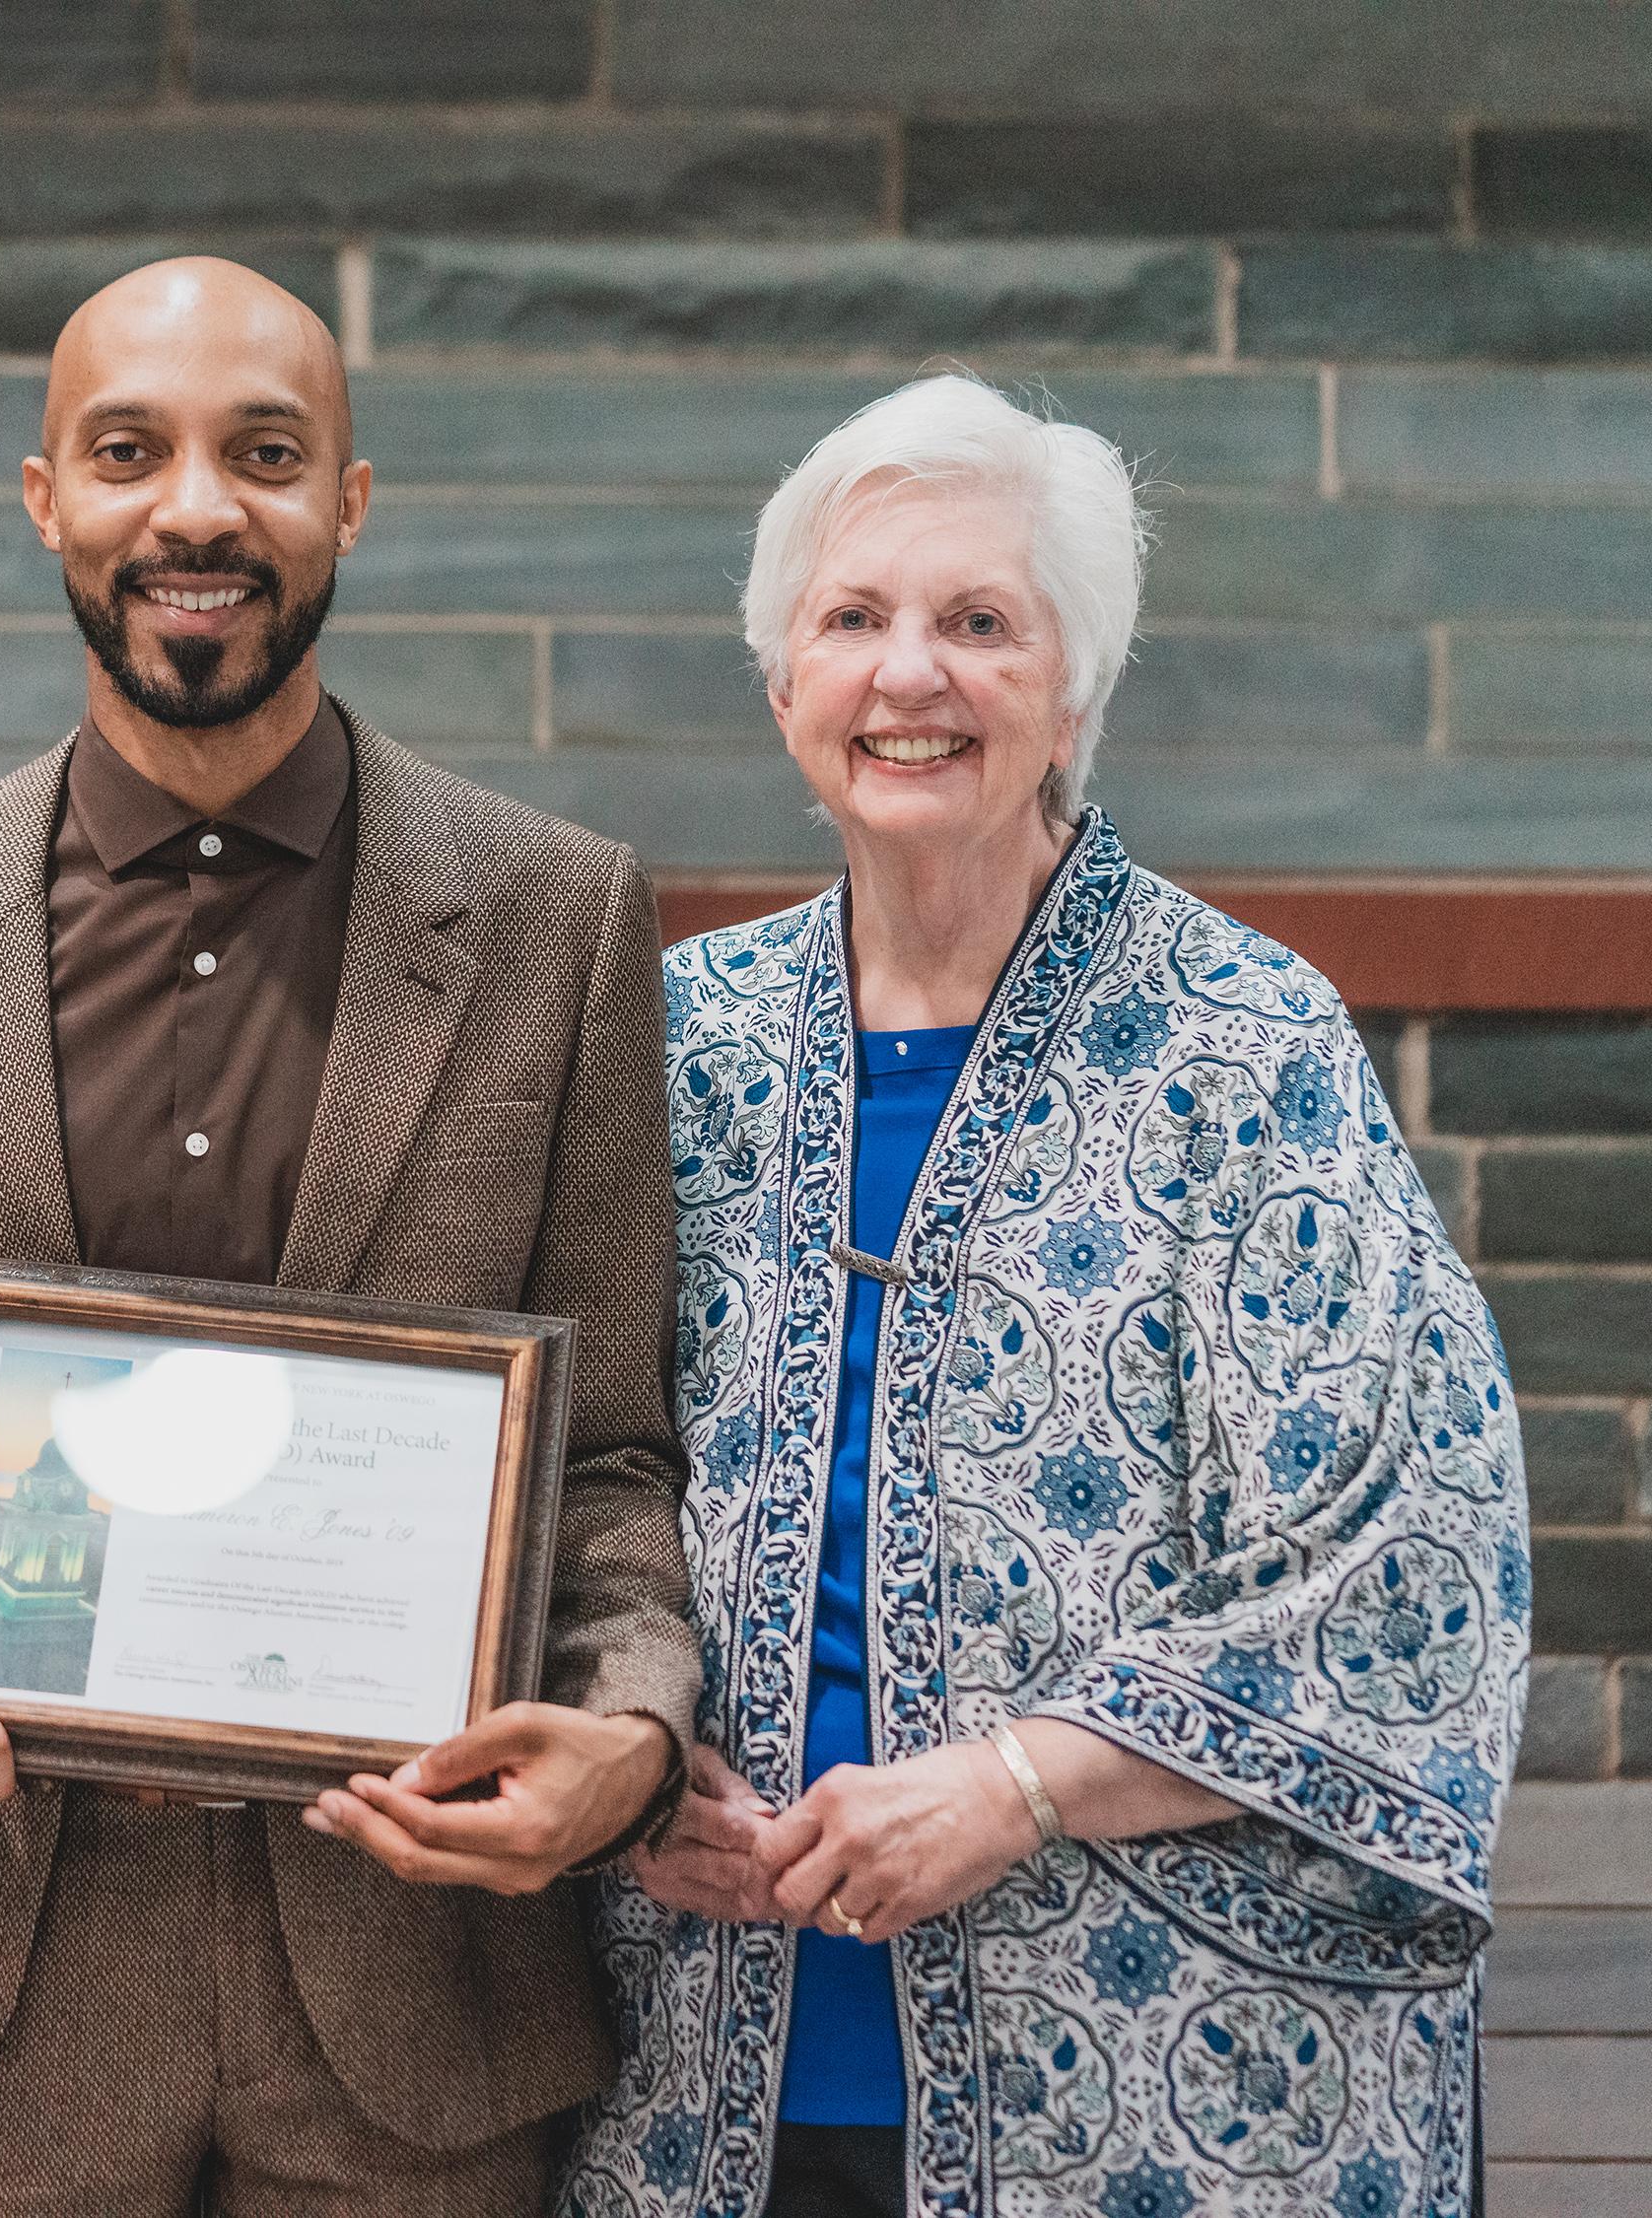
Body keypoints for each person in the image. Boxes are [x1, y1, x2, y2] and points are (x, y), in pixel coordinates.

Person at [0, 256, 702, 2215]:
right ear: (47, 500)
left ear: (348, 502)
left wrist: (630, 1728)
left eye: (265, 454)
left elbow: (609, 1450)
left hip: (416, 1977)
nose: (195, 507)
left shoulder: (560, 918)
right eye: (131, 451)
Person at [561, 375, 1530, 2218]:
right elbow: (574, 1468)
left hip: (1161, 2079)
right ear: (783, 689)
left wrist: (1014, 1783)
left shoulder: (1243, 1048)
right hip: (713, 2061)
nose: (907, 675)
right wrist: (624, 1753)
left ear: (1073, 693)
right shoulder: (686, 1040)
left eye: (978, 623)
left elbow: (1412, 1575)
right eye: (853, 620)